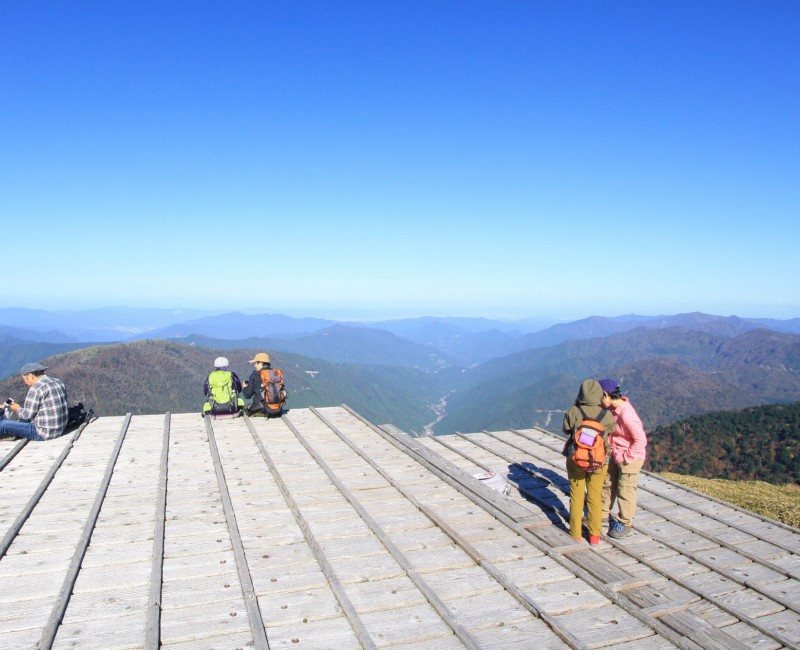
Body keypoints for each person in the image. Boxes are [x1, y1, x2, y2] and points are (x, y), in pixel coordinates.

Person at [562, 379, 616, 545]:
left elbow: (566, 429)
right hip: (599, 460)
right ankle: (594, 536)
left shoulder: (574, 411)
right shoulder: (605, 414)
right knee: (595, 496)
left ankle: (575, 533)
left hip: (576, 458)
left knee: (576, 496)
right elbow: (611, 430)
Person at [599, 378, 648, 539]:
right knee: (608, 483)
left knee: (625, 489)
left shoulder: (626, 414)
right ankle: (603, 513)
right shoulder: (613, 410)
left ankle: (625, 522)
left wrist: (626, 458)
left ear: (607, 395)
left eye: (600, 397)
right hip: (616, 453)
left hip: (629, 458)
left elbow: (641, 440)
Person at [0, 362, 68, 441]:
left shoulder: (36, 389)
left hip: (42, 433)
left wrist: (17, 408)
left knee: (3, 425)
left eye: (24, 379)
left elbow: (27, 415)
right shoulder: (58, 382)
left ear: (31, 376)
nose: (25, 382)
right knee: (21, 421)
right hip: (60, 428)